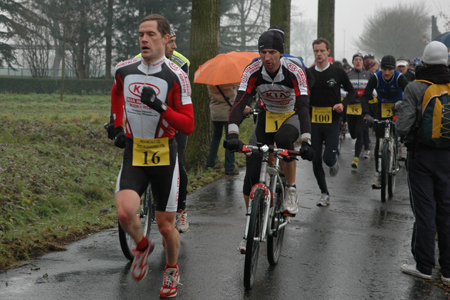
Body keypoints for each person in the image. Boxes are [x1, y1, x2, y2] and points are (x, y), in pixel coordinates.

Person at [111, 14, 194, 298]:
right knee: (124, 212)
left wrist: (160, 107)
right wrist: (118, 125)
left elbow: (188, 124)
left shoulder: (177, 76)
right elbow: (117, 94)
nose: (144, 40)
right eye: (140, 35)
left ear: (166, 38)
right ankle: (142, 246)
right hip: (135, 150)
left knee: (166, 227)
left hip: (163, 153)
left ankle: (171, 270)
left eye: (151, 35)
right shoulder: (124, 69)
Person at [226, 30, 314, 253]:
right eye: (263, 52)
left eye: (272, 52)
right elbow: (240, 101)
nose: (267, 57)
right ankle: (250, 228)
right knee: (252, 173)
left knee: (284, 140)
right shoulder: (253, 70)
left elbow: (304, 107)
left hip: (291, 113)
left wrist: (306, 140)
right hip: (267, 115)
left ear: (280, 53)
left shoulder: (294, 70)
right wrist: (233, 135)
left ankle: (291, 189)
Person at [395, 41, 450, 284]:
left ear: (423, 62)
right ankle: (448, 271)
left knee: (425, 211)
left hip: (421, 157)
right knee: (446, 211)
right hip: (448, 157)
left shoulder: (416, 87)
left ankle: (424, 266)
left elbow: (403, 126)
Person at [135, 29, 191, 233]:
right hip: (147, 121)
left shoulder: (181, 63)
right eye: (171, 43)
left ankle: (181, 209)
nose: (174, 47)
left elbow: (181, 98)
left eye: (174, 42)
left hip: (173, 119)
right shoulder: (136, 61)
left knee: (176, 163)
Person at [308, 38, 355, 207]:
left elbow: (351, 92)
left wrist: (343, 104)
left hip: (332, 121)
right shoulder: (309, 73)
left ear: (328, 52)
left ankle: (333, 161)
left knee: (328, 158)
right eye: (316, 51)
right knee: (315, 158)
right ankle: (324, 193)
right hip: (314, 121)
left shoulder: (337, 72)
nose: (319, 54)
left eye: (322, 51)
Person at [360, 55, 409, 189]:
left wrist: (405, 109)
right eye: (384, 69)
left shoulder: (399, 77)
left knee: (401, 128)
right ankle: (379, 173)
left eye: (390, 70)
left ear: (394, 69)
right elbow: (366, 96)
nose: (386, 73)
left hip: (397, 107)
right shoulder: (376, 77)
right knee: (379, 140)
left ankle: (401, 145)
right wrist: (367, 114)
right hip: (381, 108)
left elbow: (410, 93)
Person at [206, 83, 250, 175]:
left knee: (215, 138)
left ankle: (210, 164)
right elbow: (234, 96)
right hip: (228, 114)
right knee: (231, 139)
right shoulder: (230, 82)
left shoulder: (211, 83)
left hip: (215, 114)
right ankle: (229, 168)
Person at [345, 53, 372, 169]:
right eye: (356, 59)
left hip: (362, 107)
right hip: (351, 107)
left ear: (362, 62)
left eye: (360, 60)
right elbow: (342, 89)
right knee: (353, 134)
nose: (358, 62)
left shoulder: (368, 75)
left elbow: (373, 88)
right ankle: (355, 136)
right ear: (353, 62)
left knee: (361, 131)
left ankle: (356, 158)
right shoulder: (347, 75)